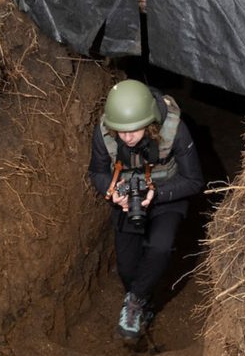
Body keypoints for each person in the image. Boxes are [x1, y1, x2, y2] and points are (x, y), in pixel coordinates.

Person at [88, 79, 204, 340]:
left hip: (167, 194)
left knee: (160, 246)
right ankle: (142, 299)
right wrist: (112, 191)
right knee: (127, 268)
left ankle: (136, 302)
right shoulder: (105, 132)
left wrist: (157, 194)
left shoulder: (174, 129)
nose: (126, 137)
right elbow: (96, 171)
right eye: (121, 131)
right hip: (128, 198)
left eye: (134, 130)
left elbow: (194, 180)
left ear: (150, 121)